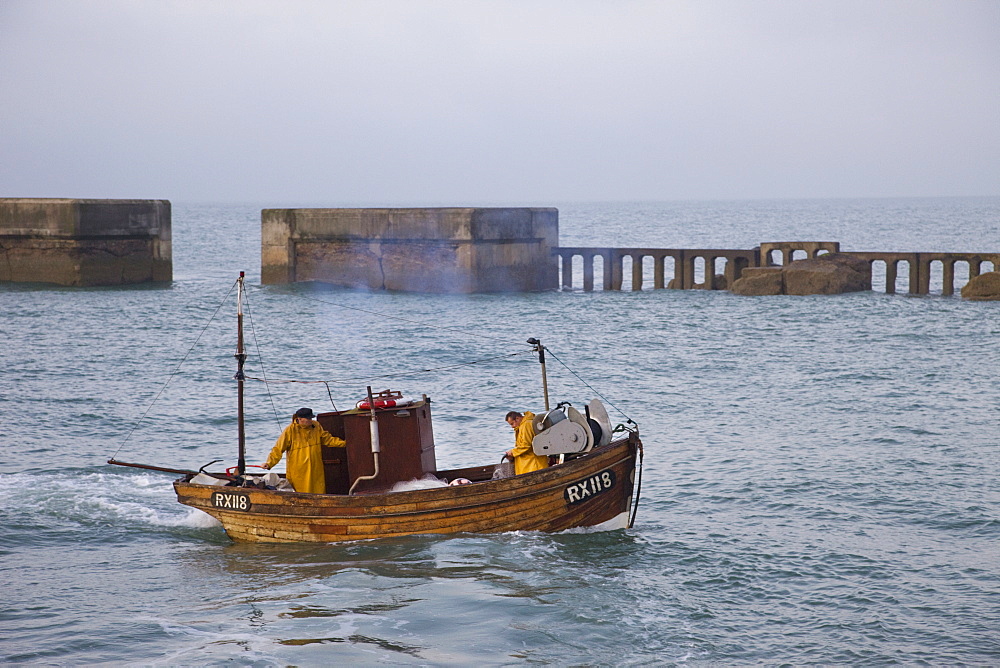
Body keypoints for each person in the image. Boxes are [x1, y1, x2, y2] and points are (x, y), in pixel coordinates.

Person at [261, 407, 346, 494]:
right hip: (299, 470)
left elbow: (328, 439)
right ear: (299, 419)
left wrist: (345, 443)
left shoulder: (316, 426)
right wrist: (269, 463)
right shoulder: (290, 430)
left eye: (311, 418)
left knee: (318, 491)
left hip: (316, 468)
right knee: (301, 493)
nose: (310, 420)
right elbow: (278, 449)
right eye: (308, 418)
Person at [504, 410, 549, 475]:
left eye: (512, 423)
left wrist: (513, 452)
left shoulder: (526, 425)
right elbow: (521, 445)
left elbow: (526, 445)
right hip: (527, 464)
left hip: (533, 465)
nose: (512, 426)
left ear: (517, 418)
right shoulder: (521, 426)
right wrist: (512, 456)